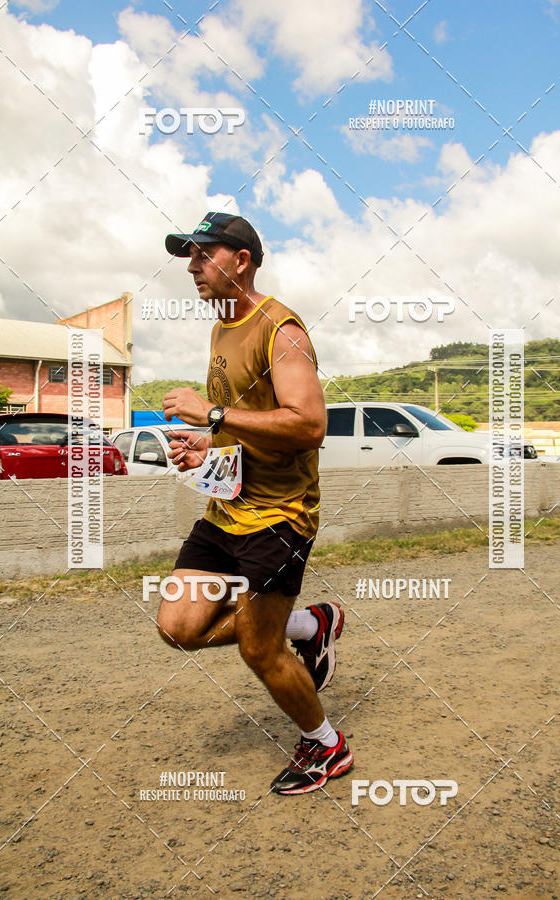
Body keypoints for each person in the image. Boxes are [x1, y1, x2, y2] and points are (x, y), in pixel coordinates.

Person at [157, 211, 354, 795]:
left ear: (240, 261)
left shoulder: (282, 329)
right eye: (188, 257)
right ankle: (311, 622)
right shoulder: (221, 325)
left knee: (258, 649)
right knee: (178, 626)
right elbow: (246, 426)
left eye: (202, 255)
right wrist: (206, 445)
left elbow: (309, 424)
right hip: (228, 506)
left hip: (279, 516)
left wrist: (212, 414)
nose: (192, 268)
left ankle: (327, 747)